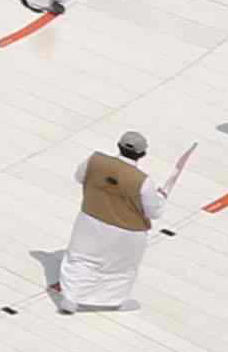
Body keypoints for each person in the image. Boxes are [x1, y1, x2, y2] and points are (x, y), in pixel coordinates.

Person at [55, 131, 155, 313]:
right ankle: (114, 300)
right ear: (142, 154)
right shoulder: (143, 181)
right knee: (121, 267)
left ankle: (70, 298)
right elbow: (154, 211)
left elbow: (79, 177)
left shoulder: (95, 161)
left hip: (91, 219)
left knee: (80, 257)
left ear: (119, 146)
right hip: (127, 230)